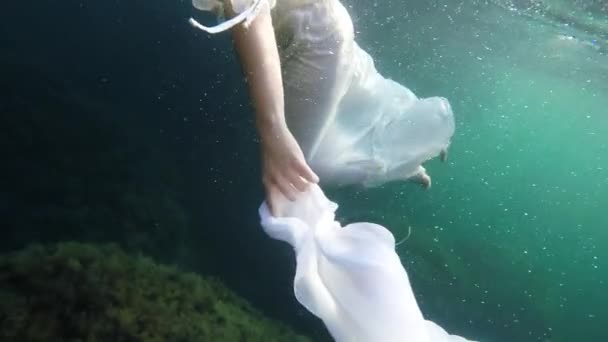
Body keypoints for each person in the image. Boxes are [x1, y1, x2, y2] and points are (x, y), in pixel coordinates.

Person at [190, 0, 455, 215]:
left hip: (314, 36)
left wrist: (274, 130)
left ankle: (406, 147)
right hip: (314, 28)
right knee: (347, 90)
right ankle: (405, 124)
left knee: (304, 172)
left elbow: (251, 14)